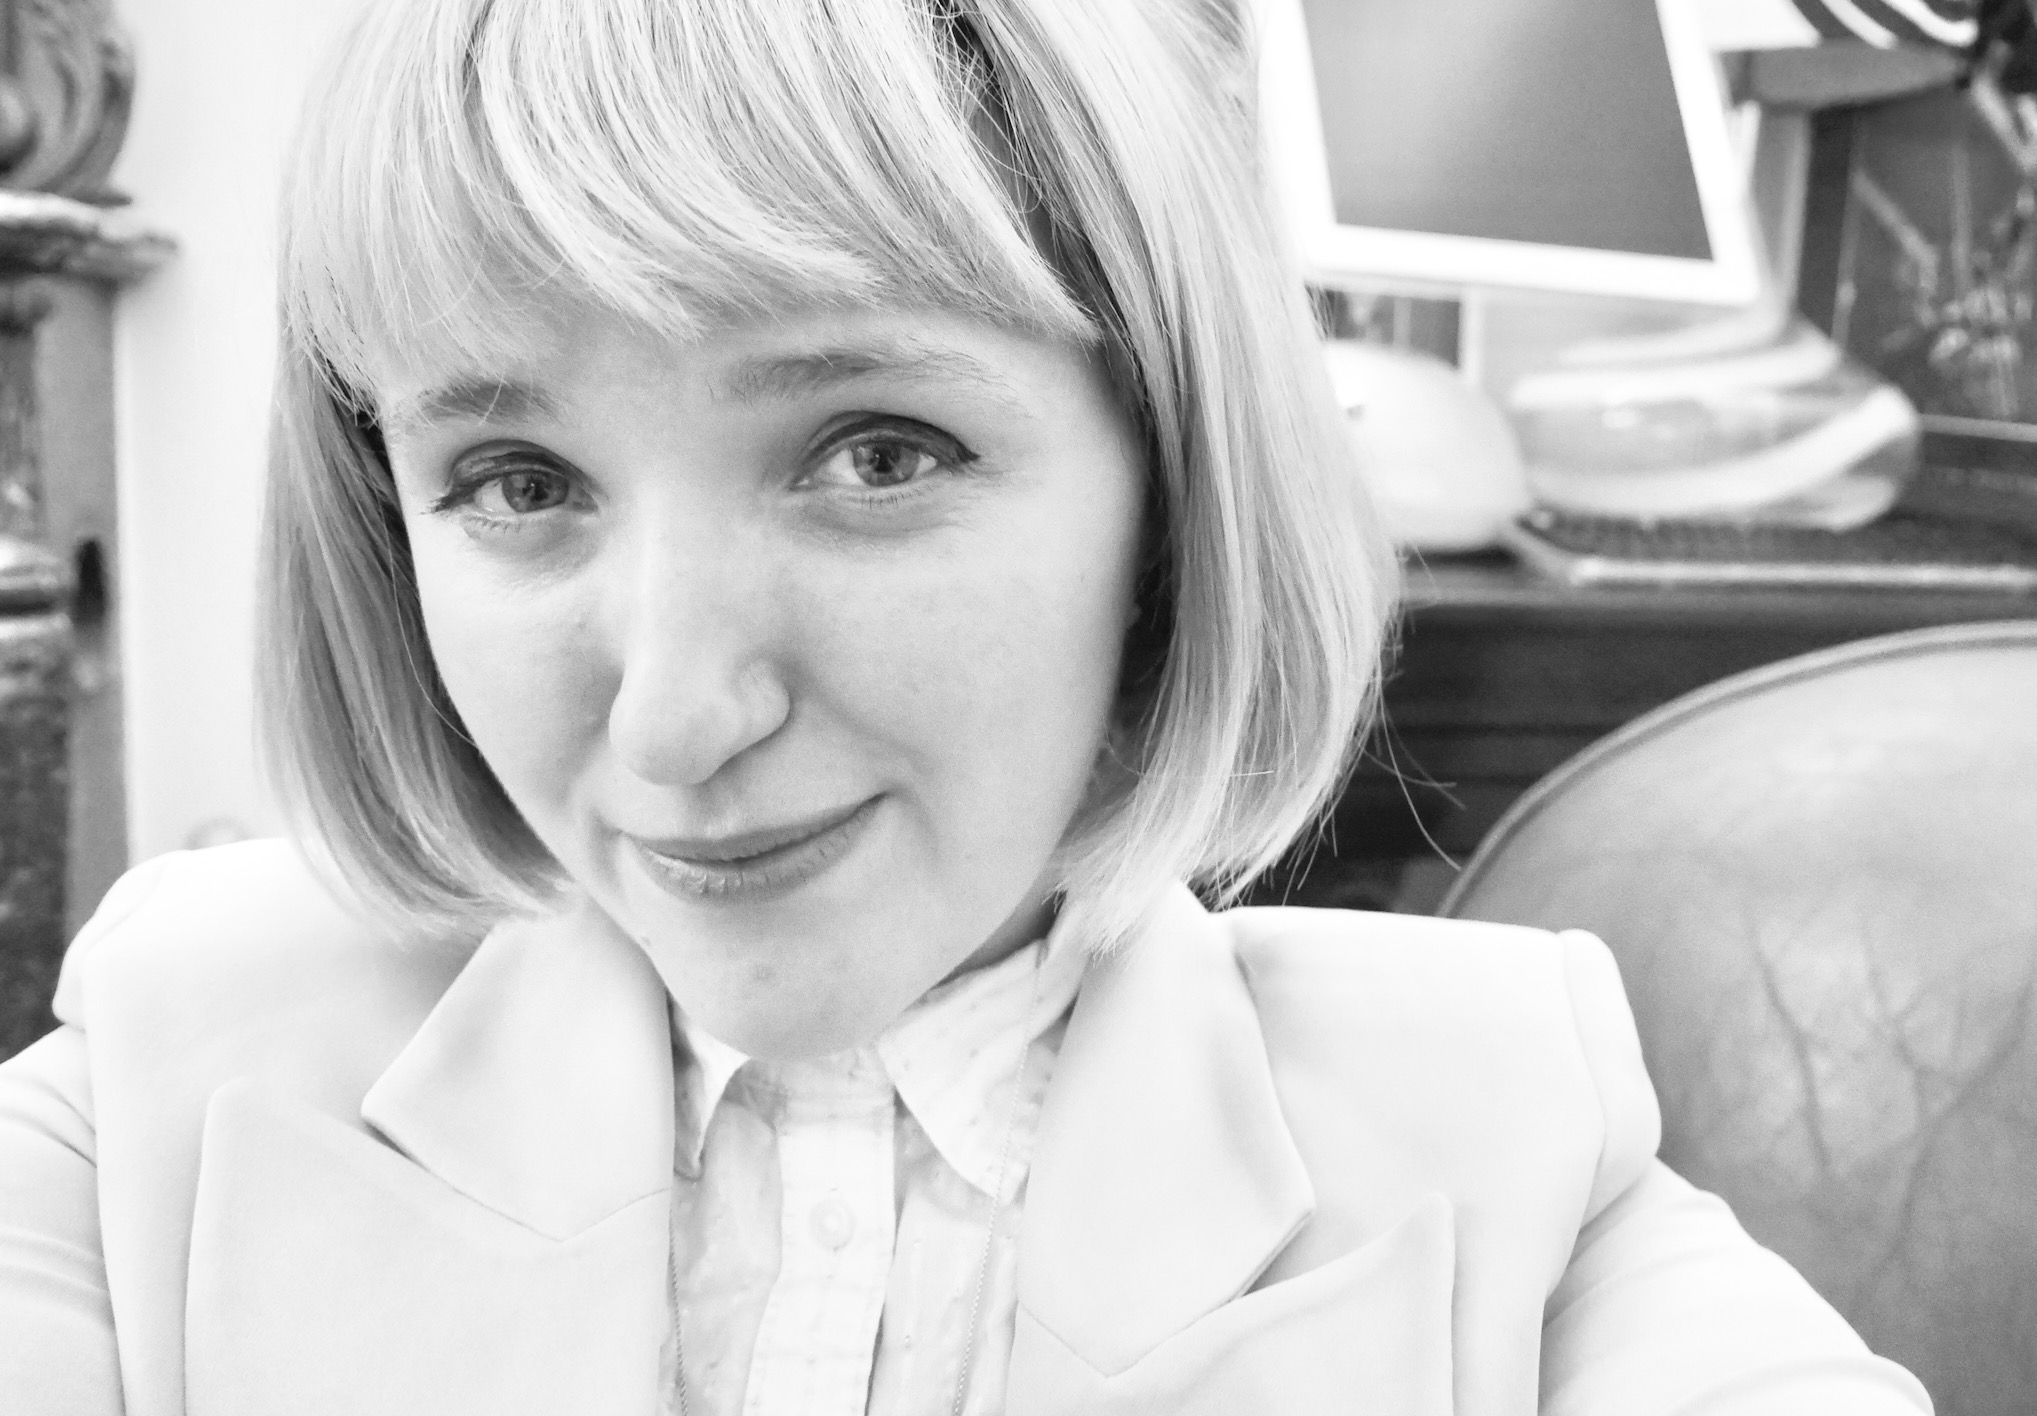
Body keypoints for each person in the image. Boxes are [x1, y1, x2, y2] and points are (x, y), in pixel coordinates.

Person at [0, 0, 1934, 1412]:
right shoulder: (165, 1086)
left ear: (1168, 493)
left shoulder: (1505, 1149)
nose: (673, 722)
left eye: (875, 453)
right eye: (516, 482)